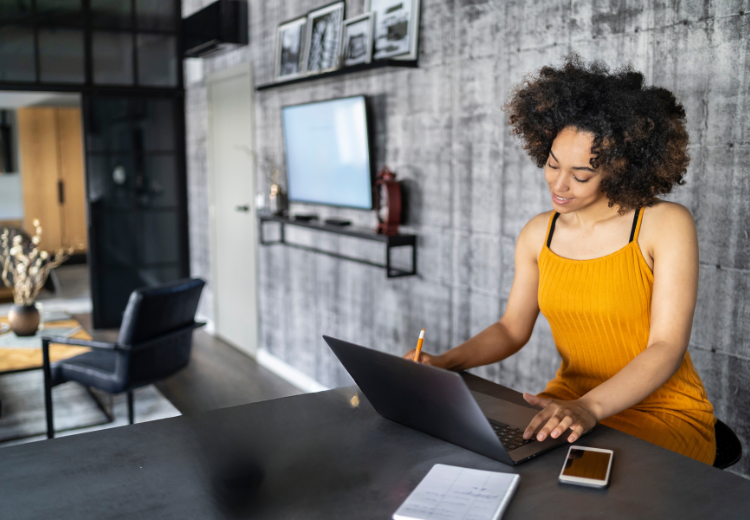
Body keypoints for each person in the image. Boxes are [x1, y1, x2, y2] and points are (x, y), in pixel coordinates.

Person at [404, 55, 716, 465]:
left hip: (661, 412)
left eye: (581, 175)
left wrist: (591, 408)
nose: (559, 184)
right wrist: (443, 363)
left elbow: (665, 346)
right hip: (568, 403)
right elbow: (511, 329)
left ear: (622, 169)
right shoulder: (539, 233)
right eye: (552, 164)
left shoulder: (664, 225)